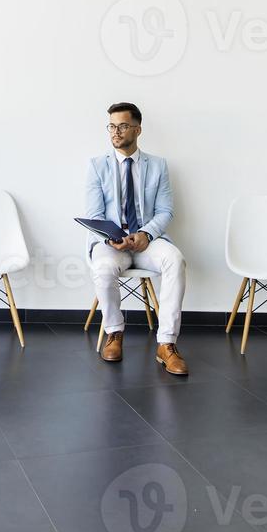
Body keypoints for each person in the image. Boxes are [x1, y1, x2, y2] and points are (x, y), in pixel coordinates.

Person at [86, 102, 188, 373]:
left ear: (137, 129)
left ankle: (166, 344)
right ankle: (115, 332)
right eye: (111, 126)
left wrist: (145, 233)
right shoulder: (97, 166)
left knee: (175, 260)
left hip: (147, 240)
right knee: (104, 267)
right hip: (112, 242)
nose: (115, 132)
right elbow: (95, 214)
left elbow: (166, 210)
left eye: (122, 126)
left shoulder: (158, 165)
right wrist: (111, 238)